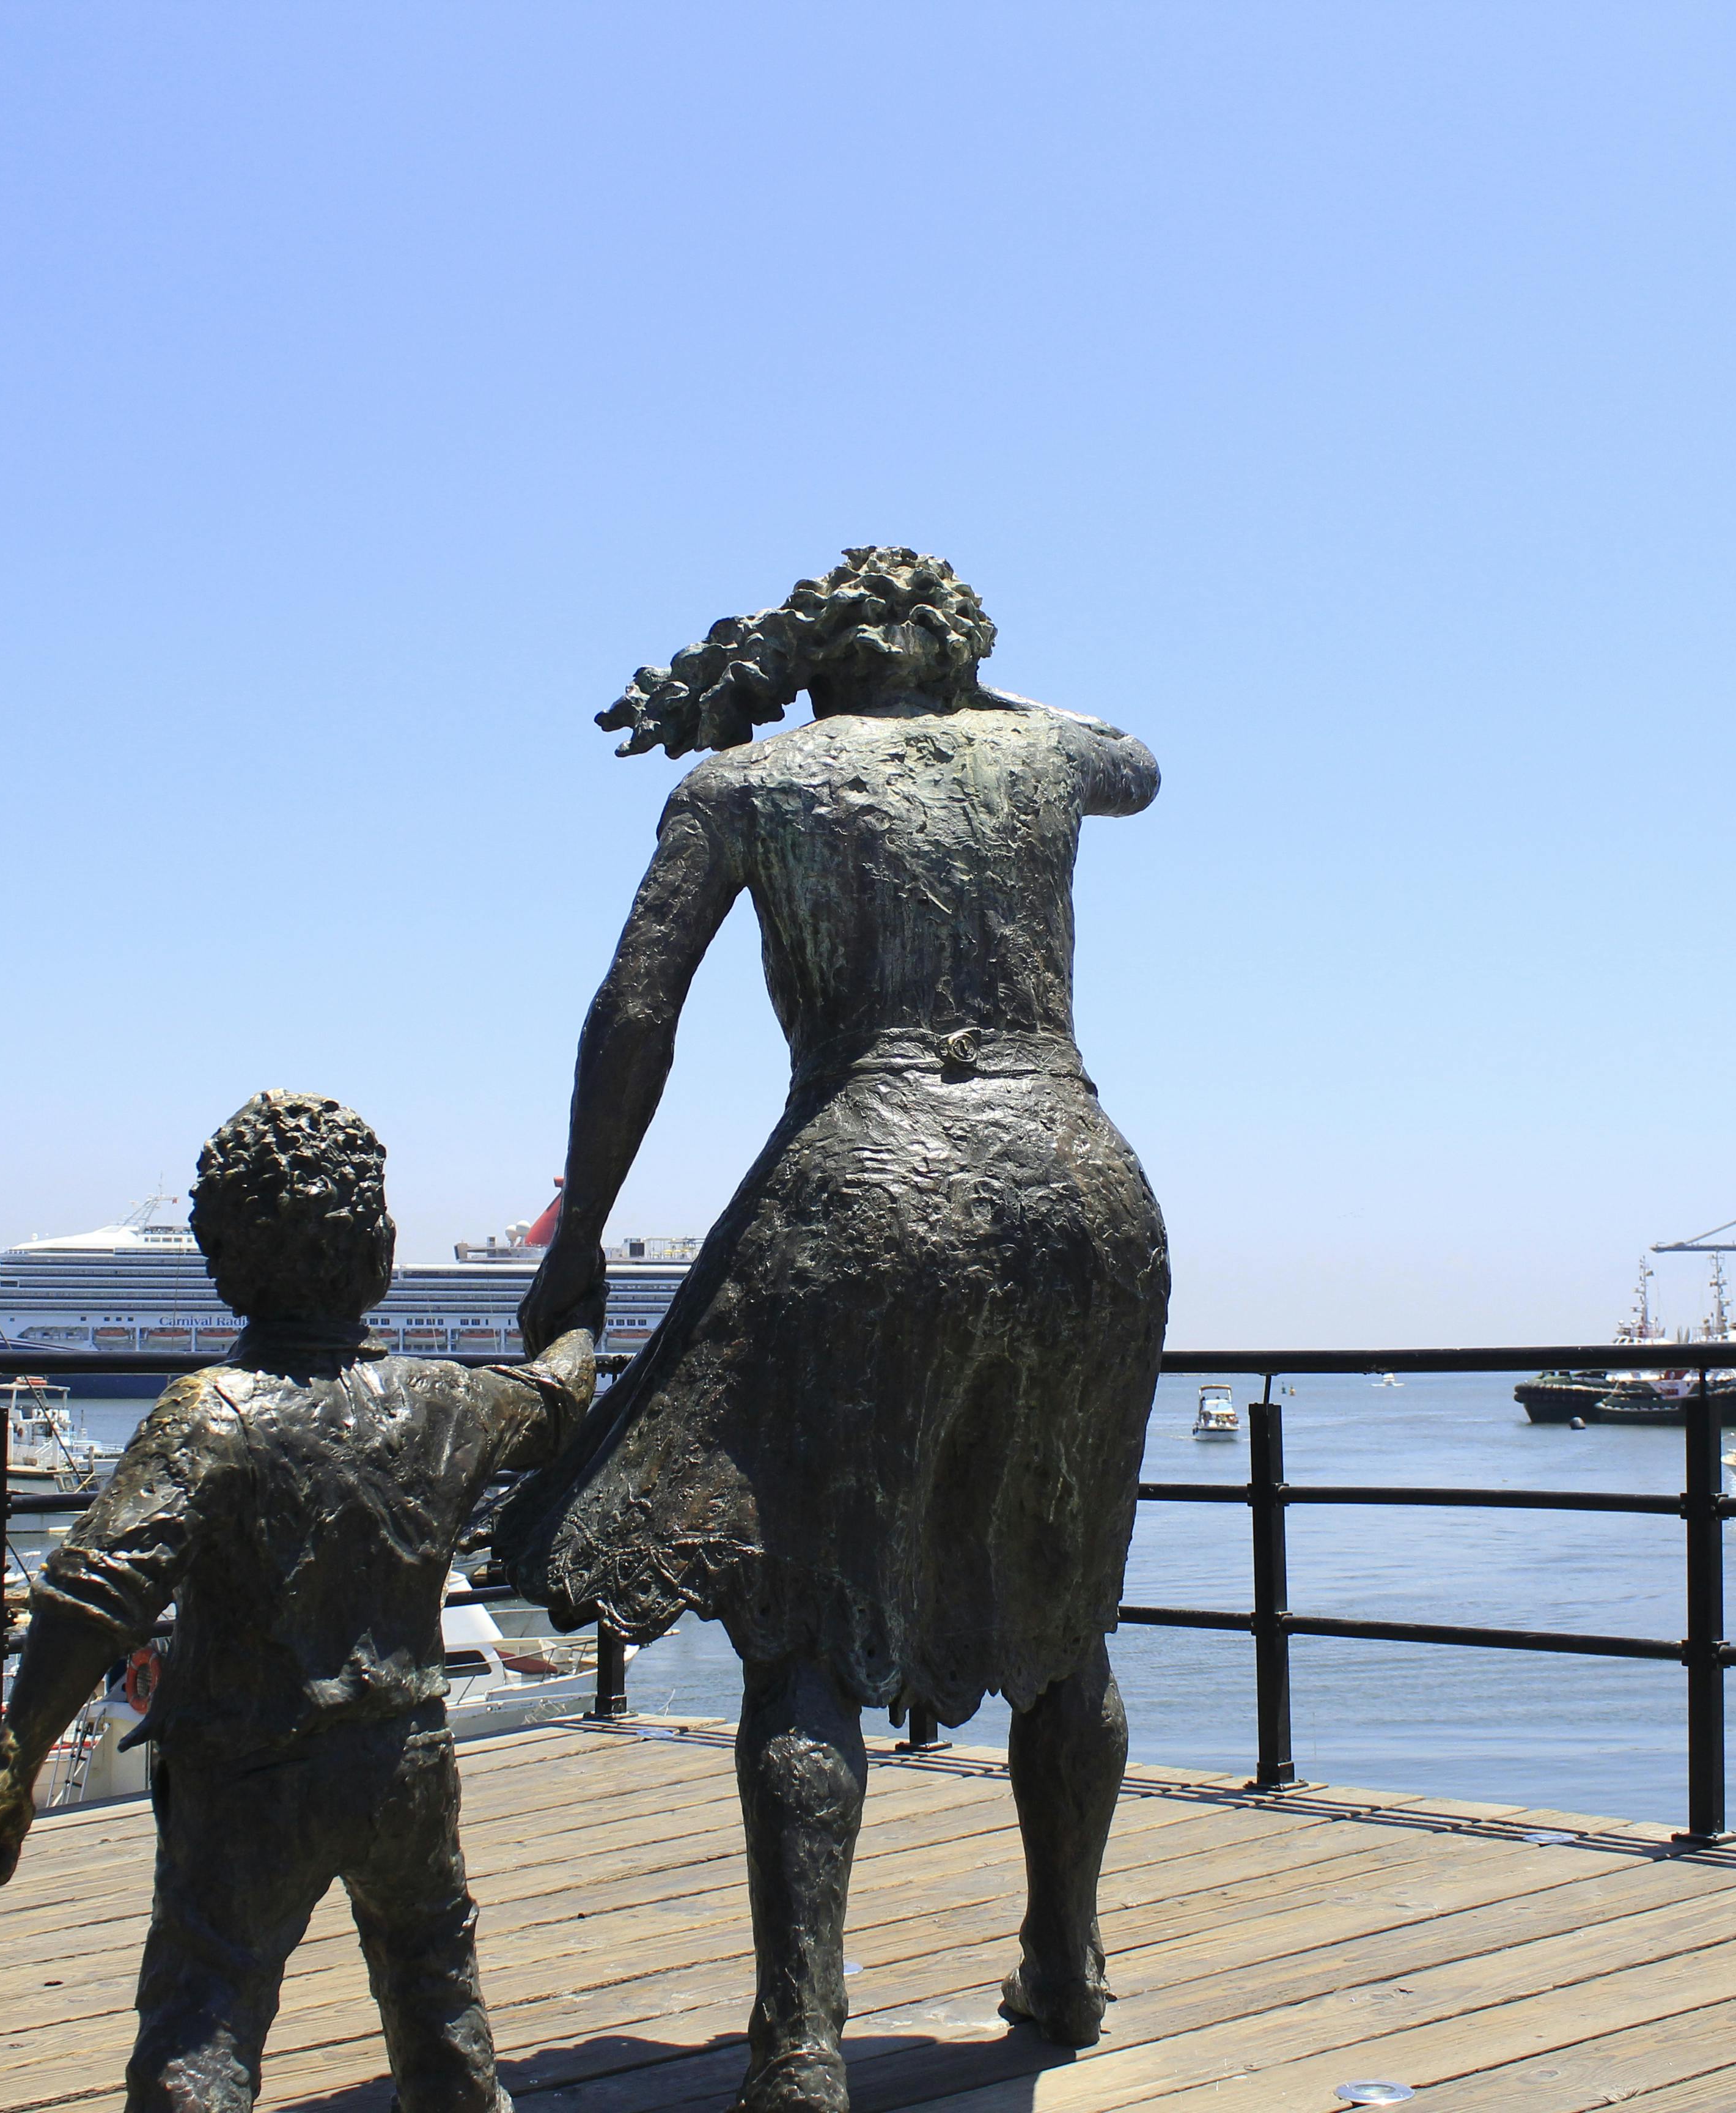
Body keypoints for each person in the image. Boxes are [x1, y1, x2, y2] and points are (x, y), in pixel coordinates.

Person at [501, 547, 1169, 2112]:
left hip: (866, 1181)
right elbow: (1135, 760)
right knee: (1065, 1606)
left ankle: (802, 2038)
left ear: (810, 657)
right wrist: (962, 695)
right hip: (1084, 1187)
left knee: (803, 1625)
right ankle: (1063, 1966)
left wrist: (585, 1234)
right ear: (955, 643)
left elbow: (634, 1015)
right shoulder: (1046, 749)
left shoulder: (748, 781)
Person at [0, 1089, 595, 2113]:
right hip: (404, 1761)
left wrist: (11, 1763)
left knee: (206, 2014)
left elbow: (97, 1592)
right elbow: (556, 1400)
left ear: (222, 1264)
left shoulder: (211, 1414)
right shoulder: (448, 1401)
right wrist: (577, 1313)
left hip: (244, 1772)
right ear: (380, 1252)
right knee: (437, 1996)